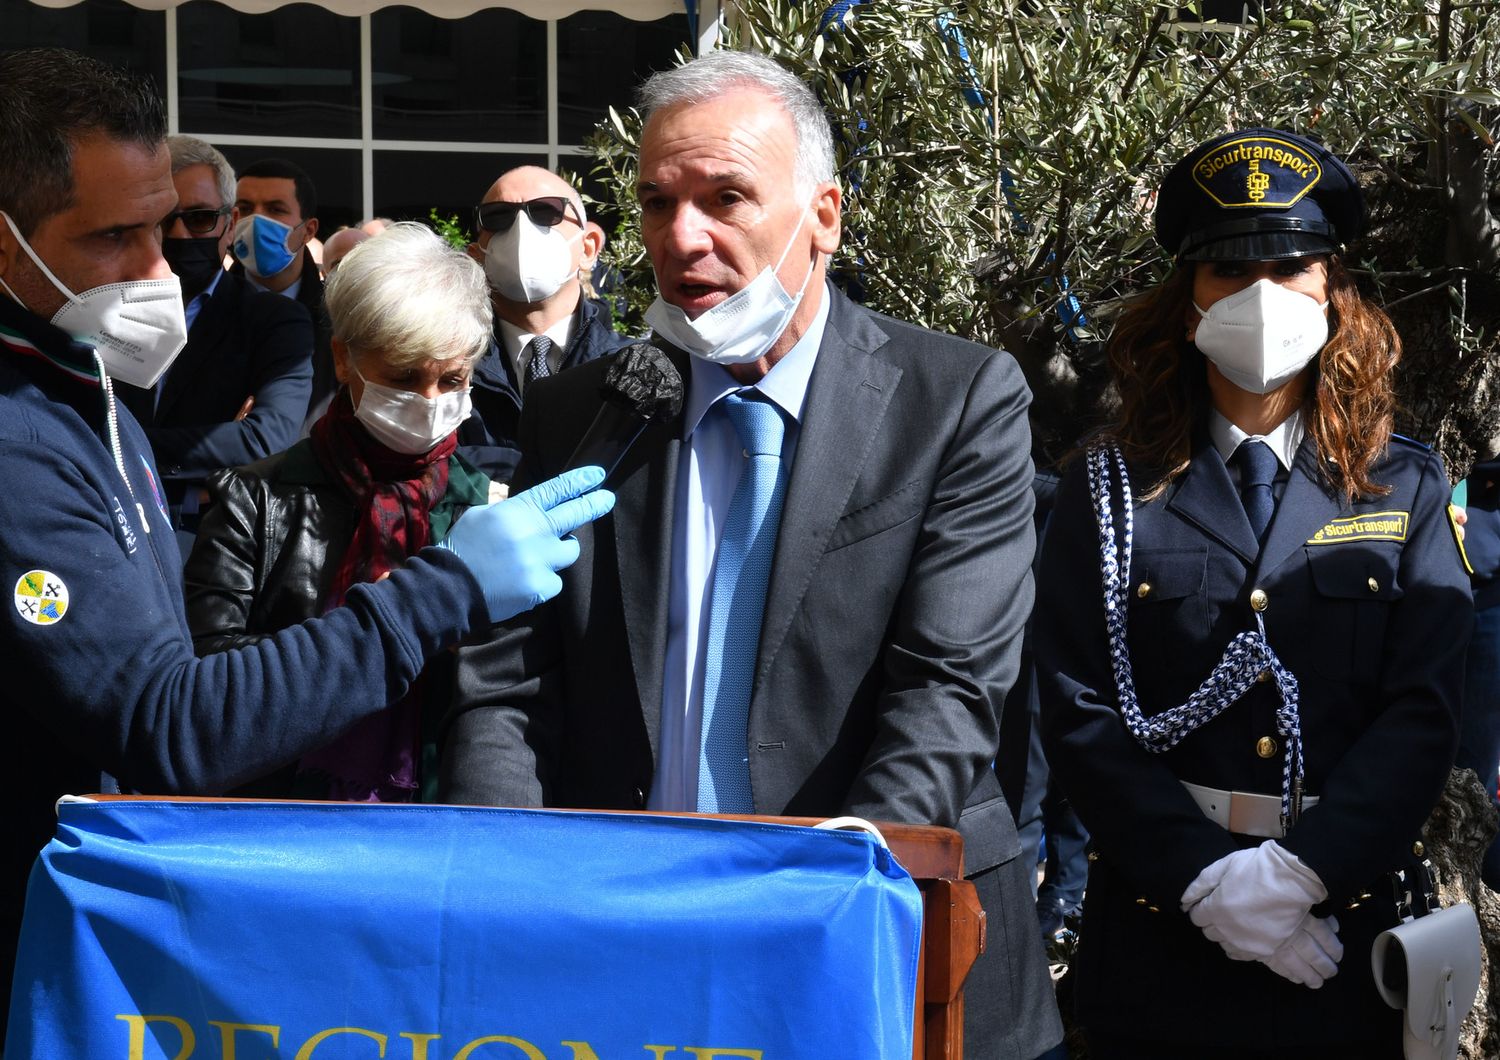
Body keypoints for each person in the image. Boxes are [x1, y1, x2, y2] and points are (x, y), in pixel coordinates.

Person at [441, 50, 1062, 1060]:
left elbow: (948, 690)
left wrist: (828, 902)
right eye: (655, 203)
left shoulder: (954, 401)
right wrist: (512, 881)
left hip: (881, 947)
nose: (683, 239)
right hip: (630, 955)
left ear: (824, 214)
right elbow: (510, 682)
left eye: (726, 197)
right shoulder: (585, 411)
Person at [0, 47, 613, 1027]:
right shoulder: (21, 450)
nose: (164, 270)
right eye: (116, 236)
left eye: (169, 228)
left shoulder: (88, 393)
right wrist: (445, 587)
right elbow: (178, 723)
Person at [1034, 128, 1472, 1059]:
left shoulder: (1405, 487)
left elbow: (1423, 714)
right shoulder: (1108, 487)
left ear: (1333, 289)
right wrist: (1206, 882)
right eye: (1230, 270)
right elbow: (1076, 709)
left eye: (1291, 265)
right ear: (1188, 302)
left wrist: (1298, 875)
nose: (1262, 295)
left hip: (1344, 934)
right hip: (1161, 932)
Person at [184, 223, 494, 802]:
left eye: (452, 379)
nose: (428, 402)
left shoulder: (487, 505)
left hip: (441, 813)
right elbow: (209, 677)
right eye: (402, 376)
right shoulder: (257, 499)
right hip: (284, 815)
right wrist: (376, 630)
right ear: (343, 360)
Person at [116, 135, 313, 550]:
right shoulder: (104, 310)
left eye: (200, 218)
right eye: (164, 219)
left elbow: (265, 439)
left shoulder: (272, 319)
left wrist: (117, 442)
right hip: (111, 526)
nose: (180, 234)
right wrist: (216, 451)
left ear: (230, 222)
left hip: (211, 541)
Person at [457, 165, 634, 482]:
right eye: (498, 216)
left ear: (589, 247)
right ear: (477, 255)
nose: (521, 229)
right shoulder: (447, 369)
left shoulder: (628, 368)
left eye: (545, 212)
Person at [231, 157, 335, 428]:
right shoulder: (201, 310)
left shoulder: (338, 319)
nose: (256, 221)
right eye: (245, 208)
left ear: (308, 231)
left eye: (275, 209)